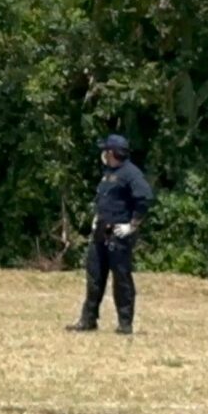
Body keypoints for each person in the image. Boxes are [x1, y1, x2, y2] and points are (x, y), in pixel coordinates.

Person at [71, 133, 152, 335]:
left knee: (121, 278)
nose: (104, 154)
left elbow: (145, 198)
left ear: (114, 152)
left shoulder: (131, 174)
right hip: (101, 231)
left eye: (106, 150)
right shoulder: (108, 172)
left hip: (119, 234)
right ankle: (88, 320)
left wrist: (132, 225)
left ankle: (125, 324)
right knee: (94, 276)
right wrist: (97, 218)